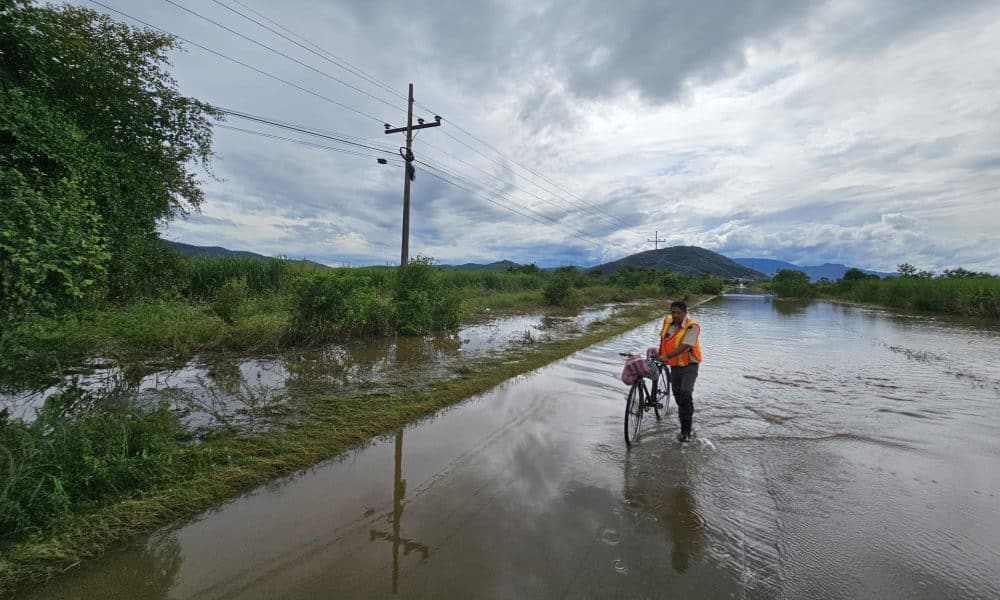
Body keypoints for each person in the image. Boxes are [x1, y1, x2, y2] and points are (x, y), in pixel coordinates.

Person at [659, 300, 702, 443]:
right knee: (678, 394)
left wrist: (667, 356)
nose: (675, 315)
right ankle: (686, 416)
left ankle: (686, 432)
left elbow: (685, 346)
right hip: (675, 365)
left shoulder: (692, 327)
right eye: (673, 312)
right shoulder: (668, 322)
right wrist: (660, 354)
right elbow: (663, 340)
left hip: (690, 365)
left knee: (685, 393)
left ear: (685, 313)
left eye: (679, 313)